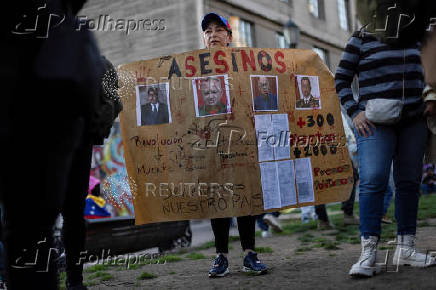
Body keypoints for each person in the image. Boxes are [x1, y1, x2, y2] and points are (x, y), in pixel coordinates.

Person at [1, 1, 103, 288]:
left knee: (34, 223)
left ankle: (73, 279)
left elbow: (108, 100)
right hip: (47, 78)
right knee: (30, 224)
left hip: (52, 84)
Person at [335, 14, 436, 277]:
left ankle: (406, 248)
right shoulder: (361, 37)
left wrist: (431, 95)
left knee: (408, 182)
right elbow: (341, 79)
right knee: (373, 178)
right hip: (374, 122)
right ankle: (368, 253)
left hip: (414, 121)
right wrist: (354, 111)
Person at [201, 12, 267, 277]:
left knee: (245, 194)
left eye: (219, 29)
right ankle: (221, 256)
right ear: (204, 38)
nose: (213, 34)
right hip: (210, 143)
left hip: (241, 139)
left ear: (229, 37)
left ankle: (250, 254)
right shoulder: (193, 67)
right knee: (218, 195)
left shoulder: (243, 63)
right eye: (208, 31)